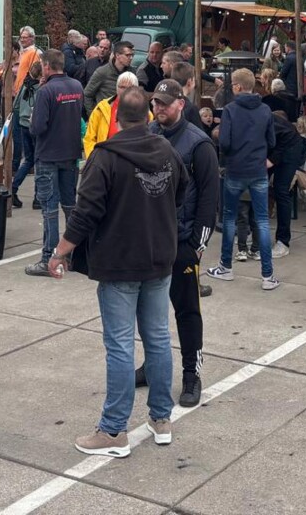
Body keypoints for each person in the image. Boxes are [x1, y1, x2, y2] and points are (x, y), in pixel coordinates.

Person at [47, 88, 188, 457]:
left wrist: (60, 251)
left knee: (121, 345)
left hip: (120, 262)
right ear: (148, 116)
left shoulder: (105, 156)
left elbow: (85, 211)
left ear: (116, 118)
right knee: (158, 338)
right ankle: (161, 418)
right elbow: (180, 192)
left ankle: (113, 430)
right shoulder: (166, 151)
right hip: (158, 258)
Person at [137, 79, 218, 407]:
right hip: (150, 242)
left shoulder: (199, 144)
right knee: (148, 312)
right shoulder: (149, 135)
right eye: (155, 103)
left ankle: (191, 375)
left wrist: (197, 246)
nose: (158, 108)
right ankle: (152, 366)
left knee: (187, 312)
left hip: (182, 243)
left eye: (165, 103)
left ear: (181, 104)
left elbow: (209, 200)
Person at [206, 68, 279, 290]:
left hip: (236, 169)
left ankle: (226, 267)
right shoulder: (265, 109)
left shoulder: (230, 110)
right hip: (258, 169)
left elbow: (224, 142)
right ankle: (267, 276)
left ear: (237, 86)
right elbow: (272, 141)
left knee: (229, 218)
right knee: (263, 221)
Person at [24, 49, 85, 277]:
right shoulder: (76, 87)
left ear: (47, 66)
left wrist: (33, 118)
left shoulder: (46, 91)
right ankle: (71, 255)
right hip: (70, 154)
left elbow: (37, 127)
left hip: (48, 154)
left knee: (49, 209)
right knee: (70, 206)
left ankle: (48, 257)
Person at [267, 110, 306, 257]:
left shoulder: (261, 117)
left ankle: (282, 242)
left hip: (289, 148)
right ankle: (257, 238)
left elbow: (289, 136)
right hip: (272, 147)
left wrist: (272, 160)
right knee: (257, 188)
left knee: (281, 191)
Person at [83, 72, 143, 159]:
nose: (125, 91)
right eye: (122, 87)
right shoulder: (101, 108)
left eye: (129, 88)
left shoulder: (144, 112)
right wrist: (95, 159)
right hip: (104, 160)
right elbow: (89, 139)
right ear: (116, 88)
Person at [83, 41, 134, 112]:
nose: (131, 58)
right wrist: (93, 114)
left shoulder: (131, 73)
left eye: (132, 55)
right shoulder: (102, 72)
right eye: (127, 55)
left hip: (124, 115)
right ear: (117, 55)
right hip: (105, 114)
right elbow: (87, 94)